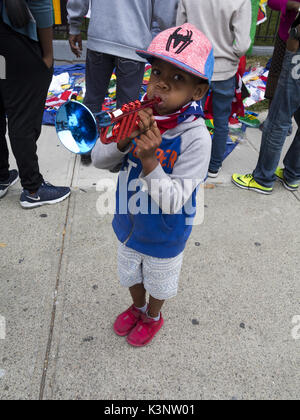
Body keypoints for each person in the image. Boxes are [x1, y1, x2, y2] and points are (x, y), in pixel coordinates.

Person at [92, 23, 214, 347]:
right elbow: (99, 160)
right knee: (131, 275)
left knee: (158, 284)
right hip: (128, 223)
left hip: (164, 235)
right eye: (157, 71)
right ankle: (137, 307)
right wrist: (122, 140)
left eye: (177, 78)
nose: (161, 83)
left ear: (197, 92)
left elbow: (174, 201)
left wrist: (149, 161)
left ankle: (153, 315)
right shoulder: (138, 115)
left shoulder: (197, 138)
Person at [67, 0, 179, 165]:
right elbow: (165, 11)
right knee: (127, 108)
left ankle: (87, 147)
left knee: (93, 99)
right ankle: (116, 154)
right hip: (133, 41)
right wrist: (157, 38)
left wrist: (75, 25)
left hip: (100, 37)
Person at [0, 0, 71, 208]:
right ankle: (33, 189)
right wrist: (48, 55)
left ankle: (2, 176)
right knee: (22, 114)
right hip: (17, 42)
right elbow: (41, 6)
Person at [176, 0, 252, 178]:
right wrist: (230, 54)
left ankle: (187, 159)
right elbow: (242, 45)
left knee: (190, 117)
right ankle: (214, 165)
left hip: (196, 66)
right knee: (221, 121)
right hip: (224, 67)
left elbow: (180, 30)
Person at [232, 14, 300, 194]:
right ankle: (292, 174)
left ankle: (263, 178)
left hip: (297, 61)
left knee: (278, 120)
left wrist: (294, 39)